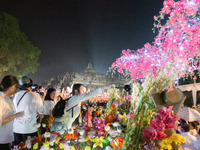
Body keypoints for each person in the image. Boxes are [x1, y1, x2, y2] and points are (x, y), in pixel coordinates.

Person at [13, 76, 43, 145]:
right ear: (30, 85)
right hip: (30, 128)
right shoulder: (36, 95)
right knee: (31, 147)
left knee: (18, 147)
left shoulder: (16, 96)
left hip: (17, 128)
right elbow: (41, 109)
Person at [0, 75, 24, 150]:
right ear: (10, 86)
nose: (16, 89)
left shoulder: (7, 98)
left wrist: (10, 139)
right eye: (15, 86)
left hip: (7, 138)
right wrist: (16, 116)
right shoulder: (1, 99)